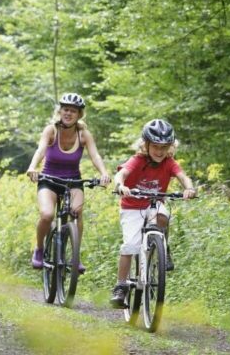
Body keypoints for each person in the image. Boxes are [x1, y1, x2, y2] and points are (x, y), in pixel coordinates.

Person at [109, 119, 196, 308]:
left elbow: (183, 177)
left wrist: (189, 188)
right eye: (155, 146)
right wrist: (120, 185)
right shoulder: (137, 160)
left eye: (164, 147)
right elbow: (121, 174)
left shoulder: (169, 162)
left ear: (170, 147)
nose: (159, 151)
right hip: (132, 207)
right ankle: (121, 286)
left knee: (163, 216)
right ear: (146, 145)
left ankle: (161, 246)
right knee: (131, 244)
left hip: (154, 204)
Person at [26, 93, 111, 273]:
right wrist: (33, 167)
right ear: (60, 111)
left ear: (79, 114)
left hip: (73, 180)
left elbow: (95, 155)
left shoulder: (83, 134)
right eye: (65, 109)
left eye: (73, 111)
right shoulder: (51, 130)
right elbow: (41, 150)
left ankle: (75, 256)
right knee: (47, 215)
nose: (68, 113)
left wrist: (104, 173)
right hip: (48, 179)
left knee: (77, 212)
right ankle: (39, 249)